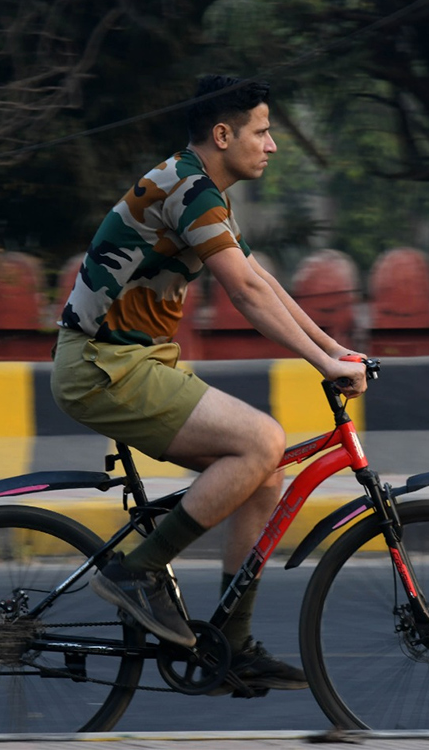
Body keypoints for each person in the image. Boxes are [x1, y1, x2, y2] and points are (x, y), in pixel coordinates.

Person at [51, 74, 368, 695]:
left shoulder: (202, 189)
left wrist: (333, 348)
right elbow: (246, 295)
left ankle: (235, 644)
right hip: (102, 365)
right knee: (261, 440)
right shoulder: (187, 188)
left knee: (264, 468)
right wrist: (323, 365)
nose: (272, 144)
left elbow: (262, 279)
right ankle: (135, 572)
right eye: (263, 130)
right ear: (223, 135)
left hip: (137, 361)